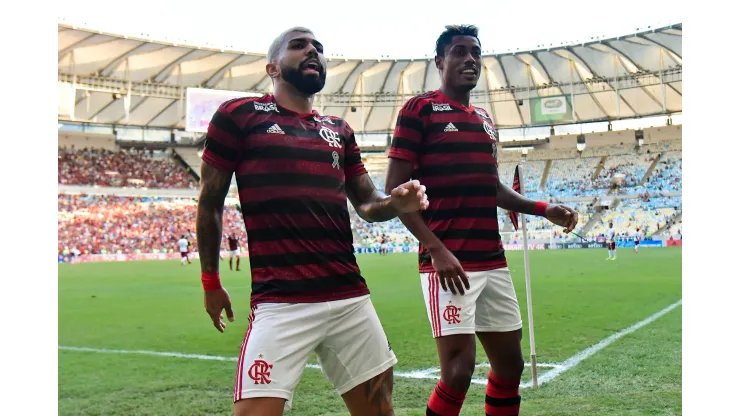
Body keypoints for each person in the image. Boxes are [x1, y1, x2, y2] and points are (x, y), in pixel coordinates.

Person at [196, 26, 429, 416]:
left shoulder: (339, 130)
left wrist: (397, 204)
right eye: (299, 45)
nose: (313, 52)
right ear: (272, 66)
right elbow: (210, 201)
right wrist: (210, 280)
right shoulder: (239, 115)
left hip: (349, 298)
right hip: (281, 301)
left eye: (319, 48)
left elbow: (369, 204)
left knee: (379, 411)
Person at [384, 25, 579, 416]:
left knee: (511, 365)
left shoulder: (486, 121)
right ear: (440, 61)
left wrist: (543, 208)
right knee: (458, 371)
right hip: (447, 263)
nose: (470, 59)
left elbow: (492, 188)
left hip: (492, 260)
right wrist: (435, 249)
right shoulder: (419, 109)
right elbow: (396, 191)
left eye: (476, 52)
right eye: (459, 51)